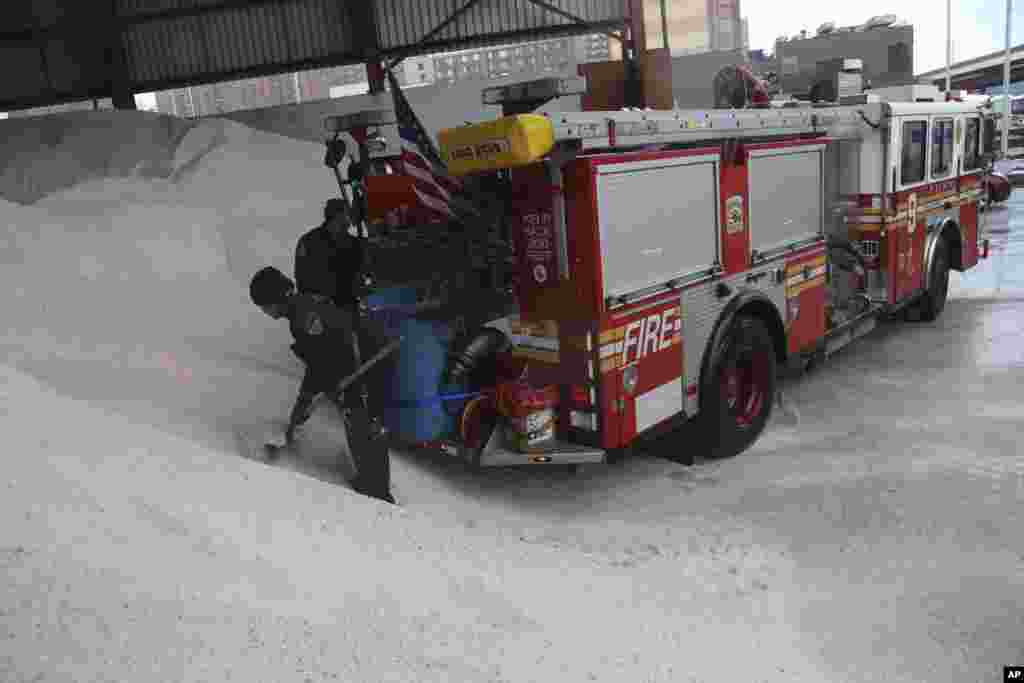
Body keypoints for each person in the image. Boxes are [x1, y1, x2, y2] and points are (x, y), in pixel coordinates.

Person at [250, 266, 395, 504]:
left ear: (274, 299)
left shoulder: (304, 315)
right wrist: (308, 398)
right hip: (359, 366)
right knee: (359, 424)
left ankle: (377, 494)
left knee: (362, 426)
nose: (265, 312)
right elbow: (320, 360)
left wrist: (307, 399)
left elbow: (325, 358)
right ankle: (371, 485)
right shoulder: (303, 308)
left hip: (362, 367)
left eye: (264, 306)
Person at [295, 198, 364, 311]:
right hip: (319, 310)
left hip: (348, 309)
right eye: (347, 215)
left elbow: (362, 273)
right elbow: (301, 277)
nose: (350, 221)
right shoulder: (309, 241)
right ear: (337, 216)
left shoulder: (354, 243)